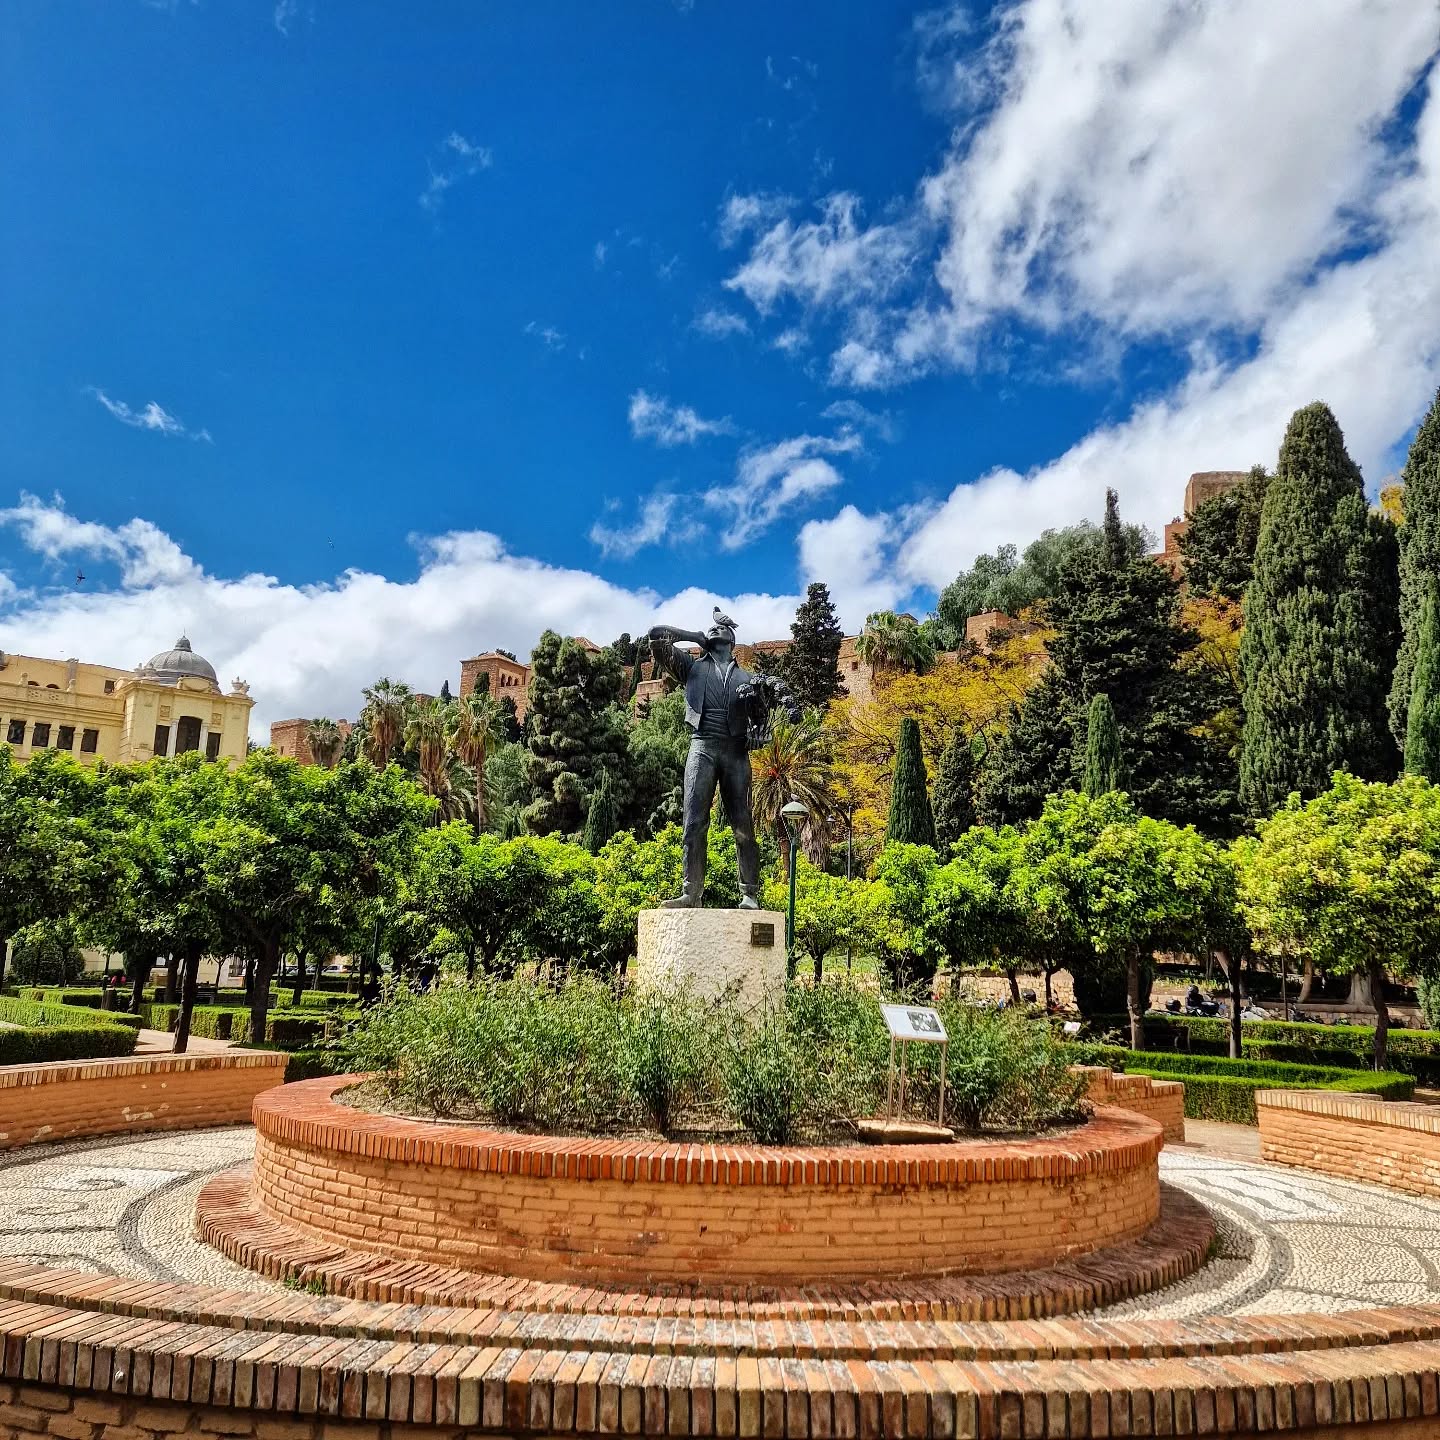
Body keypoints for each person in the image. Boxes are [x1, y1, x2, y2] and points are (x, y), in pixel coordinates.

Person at [647, 611, 765, 908]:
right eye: (711, 628)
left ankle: (749, 893)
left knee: (743, 825)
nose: (715, 629)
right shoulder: (691, 668)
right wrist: (693, 637)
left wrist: (758, 734)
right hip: (702, 747)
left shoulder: (747, 679)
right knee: (694, 822)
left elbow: (761, 721)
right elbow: (656, 637)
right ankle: (691, 893)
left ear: (732, 639)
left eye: (720, 628)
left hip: (736, 751)